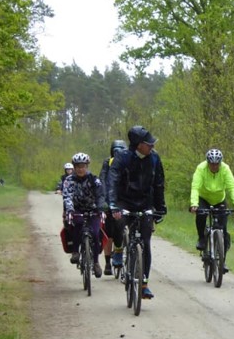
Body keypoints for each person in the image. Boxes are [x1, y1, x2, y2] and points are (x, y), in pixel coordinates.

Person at [108, 126, 167, 299]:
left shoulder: (154, 158)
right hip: (124, 201)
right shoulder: (122, 158)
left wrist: (160, 207)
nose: (152, 146)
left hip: (145, 202)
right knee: (118, 224)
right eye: (148, 144)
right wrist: (113, 205)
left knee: (146, 242)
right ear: (138, 145)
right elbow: (112, 181)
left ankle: (144, 284)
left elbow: (159, 185)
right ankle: (119, 250)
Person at [189, 148, 234, 271]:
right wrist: (194, 204)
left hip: (219, 200)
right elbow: (195, 187)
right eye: (211, 164)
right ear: (207, 162)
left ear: (220, 163)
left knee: (223, 231)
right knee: (201, 215)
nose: (214, 166)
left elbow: (232, 187)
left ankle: (222, 262)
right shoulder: (201, 168)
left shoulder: (225, 169)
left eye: (216, 164)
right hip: (203, 198)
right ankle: (202, 238)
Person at [63, 152, 105, 278]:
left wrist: (101, 208)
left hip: (93, 210)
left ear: (87, 166)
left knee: (96, 233)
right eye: (78, 167)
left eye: (83, 166)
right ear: (74, 168)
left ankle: (96, 262)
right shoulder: (69, 180)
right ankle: (75, 251)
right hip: (76, 210)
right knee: (78, 225)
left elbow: (100, 195)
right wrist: (70, 210)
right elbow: (67, 196)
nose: (80, 169)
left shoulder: (94, 179)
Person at [99, 140, 127, 275]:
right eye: (116, 152)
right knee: (108, 231)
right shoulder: (107, 163)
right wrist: (103, 200)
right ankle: (107, 262)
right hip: (110, 199)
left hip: (124, 199)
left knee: (121, 227)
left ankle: (120, 251)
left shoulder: (129, 163)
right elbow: (103, 181)